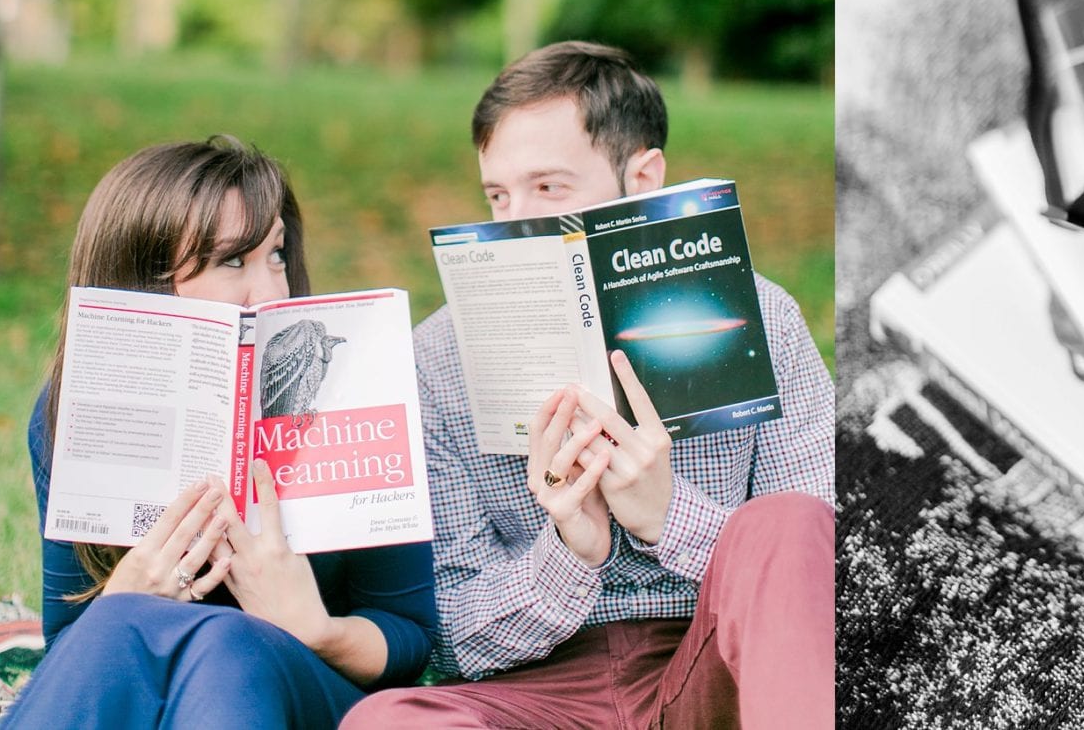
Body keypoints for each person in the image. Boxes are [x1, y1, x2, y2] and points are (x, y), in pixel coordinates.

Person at [344, 41, 835, 728]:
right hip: (537, 690)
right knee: (389, 722)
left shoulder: (764, 319)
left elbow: (817, 581)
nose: (512, 222)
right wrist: (570, 550)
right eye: (497, 194)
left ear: (643, 177)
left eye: (547, 188)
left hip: (720, 674)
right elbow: (454, 638)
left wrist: (670, 518)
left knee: (787, 521)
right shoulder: (436, 360)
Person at [3, 137, 438, 730]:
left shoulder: (354, 393)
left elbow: (410, 638)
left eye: (277, 255)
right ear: (145, 279)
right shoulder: (67, 414)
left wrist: (319, 629)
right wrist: (124, 598)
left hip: (304, 692)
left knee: (225, 643)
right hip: (155, 688)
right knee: (112, 623)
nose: (272, 291)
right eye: (233, 261)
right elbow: (76, 655)